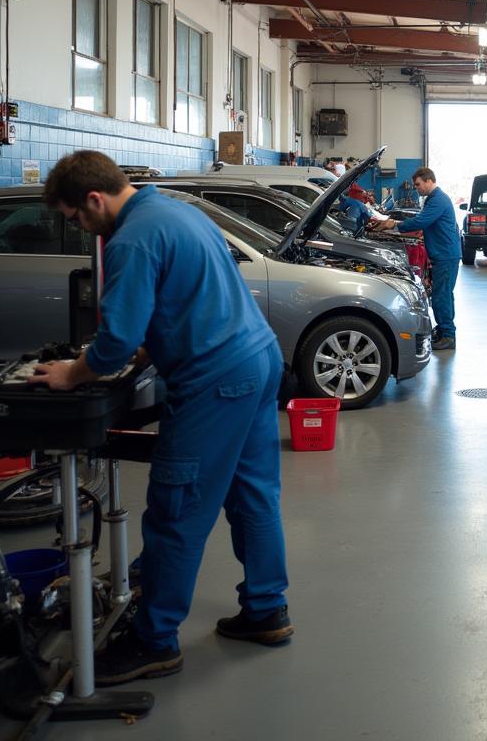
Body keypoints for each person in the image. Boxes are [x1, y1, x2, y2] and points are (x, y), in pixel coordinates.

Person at [28, 151, 292, 685]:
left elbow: (115, 342)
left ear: (95, 199)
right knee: (253, 495)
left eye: (76, 218)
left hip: (216, 378)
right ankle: (267, 609)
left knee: (176, 508)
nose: (80, 228)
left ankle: (154, 641)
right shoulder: (177, 212)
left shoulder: (130, 238)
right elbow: (192, 294)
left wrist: (69, 375)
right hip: (258, 358)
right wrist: (154, 348)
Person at [379, 167, 460, 350]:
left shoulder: (438, 199)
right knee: (444, 294)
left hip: (445, 256)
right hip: (444, 254)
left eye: (418, 185)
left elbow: (421, 221)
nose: (416, 189)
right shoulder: (433, 199)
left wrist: (395, 225)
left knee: (441, 296)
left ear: (429, 180)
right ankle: (444, 330)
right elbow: (425, 220)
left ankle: (448, 336)